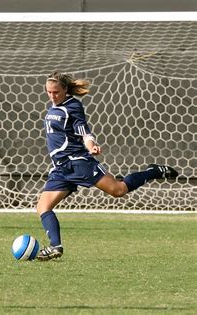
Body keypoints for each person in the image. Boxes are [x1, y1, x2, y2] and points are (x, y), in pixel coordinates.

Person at [36, 71, 178, 261]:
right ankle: (56, 247)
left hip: (78, 163)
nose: (52, 96)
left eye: (56, 92)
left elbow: (85, 133)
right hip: (61, 169)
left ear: (65, 90)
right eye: (49, 92)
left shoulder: (73, 106)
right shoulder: (53, 107)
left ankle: (154, 171)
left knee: (118, 190)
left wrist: (91, 145)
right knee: (43, 207)